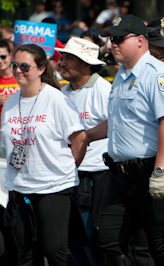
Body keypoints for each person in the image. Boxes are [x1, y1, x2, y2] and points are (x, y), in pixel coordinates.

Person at [86, 14, 164, 265]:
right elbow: (121, 120)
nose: (113, 44)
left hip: (151, 171)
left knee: (161, 246)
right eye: (111, 39)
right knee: (109, 241)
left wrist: (161, 171)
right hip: (120, 175)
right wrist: (87, 135)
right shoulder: (121, 74)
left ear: (141, 40)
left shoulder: (158, 73)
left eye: (119, 39)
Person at [1, 44, 88, 265]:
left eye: (24, 66)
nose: (18, 70)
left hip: (54, 187)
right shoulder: (10, 103)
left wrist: (67, 169)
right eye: (14, 65)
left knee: (54, 249)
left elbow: (79, 139)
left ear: (41, 68)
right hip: (20, 187)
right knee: (26, 253)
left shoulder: (56, 99)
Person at [56, 37, 111, 266]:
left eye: (69, 58)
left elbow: (117, 122)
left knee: (90, 237)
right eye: (63, 57)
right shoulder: (63, 93)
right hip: (69, 176)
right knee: (73, 241)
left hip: (97, 174)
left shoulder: (103, 89)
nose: (62, 62)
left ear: (87, 64)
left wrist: (87, 137)